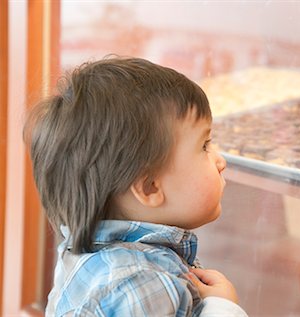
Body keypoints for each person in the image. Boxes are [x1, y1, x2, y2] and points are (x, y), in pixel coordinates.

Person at [24, 57, 248, 316]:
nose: (220, 161)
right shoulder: (142, 283)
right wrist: (223, 307)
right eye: (204, 146)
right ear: (150, 187)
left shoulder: (84, 251)